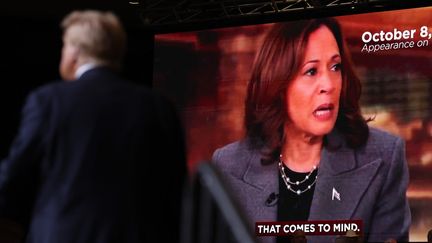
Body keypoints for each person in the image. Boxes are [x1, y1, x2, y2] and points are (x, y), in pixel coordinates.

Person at [212, 18, 411, 243]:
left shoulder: (384, 156)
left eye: (336, 67)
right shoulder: (229, 165)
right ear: (278, 83)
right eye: (311, 71)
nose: (329, 84)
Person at [0, 10, 186, 243]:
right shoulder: (159, 106)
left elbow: (15, 174)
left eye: (65, 46)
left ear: (75, 53)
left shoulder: (49, 100)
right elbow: (175, 185)